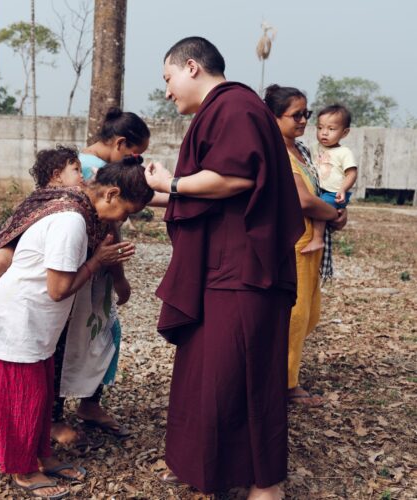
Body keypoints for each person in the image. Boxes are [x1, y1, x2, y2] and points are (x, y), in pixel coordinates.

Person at [145, 37, 305, 499]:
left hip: (244, 273)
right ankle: (203, 464)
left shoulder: (234, 106)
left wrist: (171, 182)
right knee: (207, 372)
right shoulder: (224, 109)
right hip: (222, 270)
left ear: (191, 67)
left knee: (248, 375)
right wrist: (151, 193)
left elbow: (237, 177)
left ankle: (264, 483)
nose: (168, 91)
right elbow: (204, 191)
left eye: (168, 78)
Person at [0, 160, 154, 499]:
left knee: (39, 398)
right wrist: (97, 262)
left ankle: (42, 456)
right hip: (19, 320)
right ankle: (23, 471)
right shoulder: (71, 221)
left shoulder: (79, 211)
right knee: (21, 399)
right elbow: (58, 288)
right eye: (126, 211)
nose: (122, 220)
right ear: (111, 194)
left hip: (36, 321)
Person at [52, 108, 152, 446]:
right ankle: (56, 414)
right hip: (80, 267)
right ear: (121, 143)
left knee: (103, 334)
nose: (136, 164)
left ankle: (88, 404)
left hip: (96, 270)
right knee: (68, 340)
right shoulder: (90, 176)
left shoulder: (87, 168)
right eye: (135, 156)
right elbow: (110, 231)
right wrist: (118, 275)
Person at [264, 85, 347, 407]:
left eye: (306, 114)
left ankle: (282, 375)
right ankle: (285, 384)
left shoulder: (302, 150)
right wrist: (334, 214)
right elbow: (301, 200)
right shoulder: (276, 153)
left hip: (312, 244)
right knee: (295, 315)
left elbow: (323, 191)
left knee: (310, 314)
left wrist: (336, 212)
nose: (303, 121)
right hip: (295, 243)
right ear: (274, 117)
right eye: (296, 115)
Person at [0, 145, 85, 326]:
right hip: (18, 240)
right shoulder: (47, 197)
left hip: (38, 246)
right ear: (57, 175)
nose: (81, 175)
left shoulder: (76, 197)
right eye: (76, 170)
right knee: (0, 258)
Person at [300, 104, 357, 254]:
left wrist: (343, 189)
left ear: (344, 133)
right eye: (320, 128)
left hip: (334, 193)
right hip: (319, 190)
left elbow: (351, 173)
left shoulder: (344, 152)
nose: (324, 133)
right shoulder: (313, 147)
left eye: (331, 129)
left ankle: (318, 239)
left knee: (321, 208)